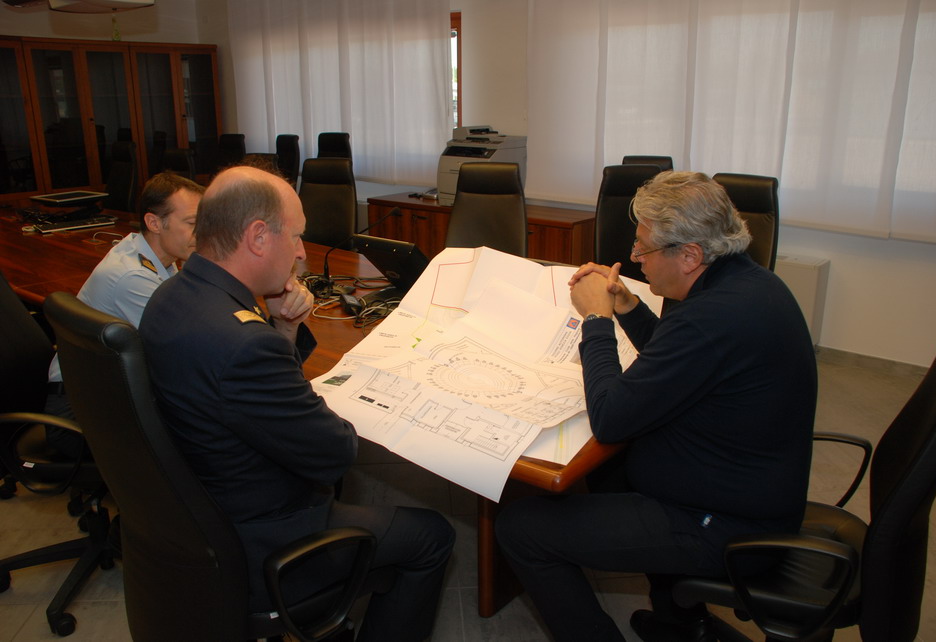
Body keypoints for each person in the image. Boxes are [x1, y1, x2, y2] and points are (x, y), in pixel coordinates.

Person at [495, 171, 817, 641]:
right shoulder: (746, 284)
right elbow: (680, 355)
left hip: (724, 524)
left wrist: (597, 320)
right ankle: (679, 623)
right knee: (605, 469)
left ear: (690, 256)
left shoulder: (711, 317)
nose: (633, 257)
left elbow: (610, 418)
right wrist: (628, 307)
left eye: (644, 248)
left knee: (521, 528)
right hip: (742, 485)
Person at [139, 166, 454, 641]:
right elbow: (335, 454)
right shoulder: (243, 343)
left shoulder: (171, 295)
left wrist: (283, 330)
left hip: (194, 517)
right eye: (297, 236)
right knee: (432, 536)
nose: (303, 252)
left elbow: (238, 397)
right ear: (257, 237)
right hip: (260, 543)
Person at [45, 172, 204, 456]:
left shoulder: (153, 257)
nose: (202, 234)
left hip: (100, 390)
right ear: (154, 223)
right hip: (78, 410)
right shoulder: (133, 277)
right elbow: (190, 348)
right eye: (192, 223)